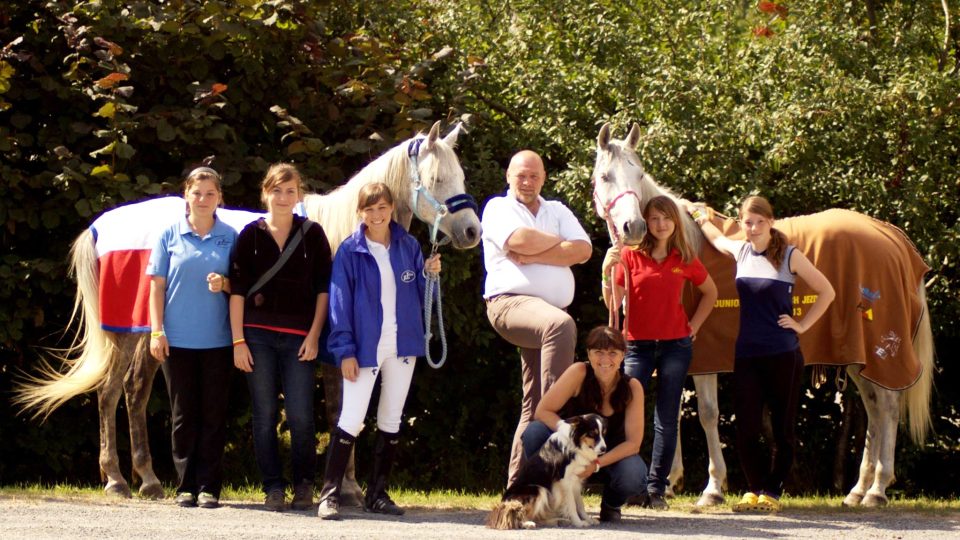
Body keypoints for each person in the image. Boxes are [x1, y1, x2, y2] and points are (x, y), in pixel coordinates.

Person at [688, 195, 835, 512]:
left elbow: (827, 291)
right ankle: (753, 490)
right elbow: (716, 238)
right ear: (742, 223)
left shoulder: (789, 256)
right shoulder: (740, 250)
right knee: (746, 429)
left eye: (758, 222)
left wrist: (803, 324)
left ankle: (773, 491)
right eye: (747, 222)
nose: (752, 228)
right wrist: (700, 216)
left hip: (783, 355)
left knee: (782, 429)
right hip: (747, 356)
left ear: (770, 223)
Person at [317, 182, 441, 520]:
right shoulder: (349, 251)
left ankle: (378, 494)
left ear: (391, 208)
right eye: (369, 209)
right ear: (361, 212)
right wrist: (345, 350)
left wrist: (430, 276)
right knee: (351, 419)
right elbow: (339, 306)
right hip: (365, 346)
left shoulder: (409, 245)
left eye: (382, 207)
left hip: (403, 345)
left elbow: (419, 296)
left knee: (391, 419)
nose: (376, 214)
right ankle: (329, 495)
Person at [480, 150, 592, 487]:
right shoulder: (498, 208)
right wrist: (560, 248)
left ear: (543, 177)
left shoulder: (556, 210)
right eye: (521, 176)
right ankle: (555, 420)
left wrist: (539, 252)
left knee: (533, 404)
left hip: (547, 315)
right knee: (561, 325)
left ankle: (518, 490)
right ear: (508, 177)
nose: (527, 182)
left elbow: (584, 250)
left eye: (534, 176)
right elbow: (519, 240)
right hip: (509, 304)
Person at [600, 195, 717, 510]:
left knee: (666, 418)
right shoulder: (629, 256)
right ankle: (629, 486)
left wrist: (694, 326)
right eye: (654, 218)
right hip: (636, 345)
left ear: (675, 222)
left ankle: (656, 490)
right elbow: (613, 304)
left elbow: (711, 293)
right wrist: (606, 271)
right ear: (646, 222)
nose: (661, 224)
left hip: (676, 346)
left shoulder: (684, 256)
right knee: (624, 414)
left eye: (667, 218)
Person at [229, 163, 332, 512]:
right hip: (256, 337)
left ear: (299, 195)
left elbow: (323, 291)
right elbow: (238, 292)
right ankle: (273, 487)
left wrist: (315, 335)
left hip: (299, 338)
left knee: (302, 416)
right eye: (277, 190)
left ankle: (304, 485)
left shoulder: (313, 234)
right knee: (264, 415)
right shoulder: (249, 235)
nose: (283, 197)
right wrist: (238, 341)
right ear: (265, 193)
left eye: (290, 191)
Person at [147, 167, 236, 509]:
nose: (203, 199)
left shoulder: (230, 236)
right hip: (177, 341)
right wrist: (157, 331)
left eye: (210, 193)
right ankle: (185, 486)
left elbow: (240, 286)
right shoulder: (169, 234)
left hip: (218, 340)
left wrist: (225, 284)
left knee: (214, 414)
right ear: (186, 194)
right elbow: (156, 287)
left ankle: (209, 487)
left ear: (219, 198)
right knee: (183, 414)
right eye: (197, 193)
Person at [521, 325, 647, 523]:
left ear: (623, 355)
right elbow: (542, 411)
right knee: (534, 432)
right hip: (571, 452)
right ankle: (549, 500)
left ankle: (611, 505)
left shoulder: (632, 387)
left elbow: (633, 444)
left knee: (634, 474)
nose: (605, 360)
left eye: (613, 353)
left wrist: (595, 465)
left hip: (609, 457)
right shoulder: (579, 372)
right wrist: (568, 434)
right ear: (588, 354)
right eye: (598, 352)